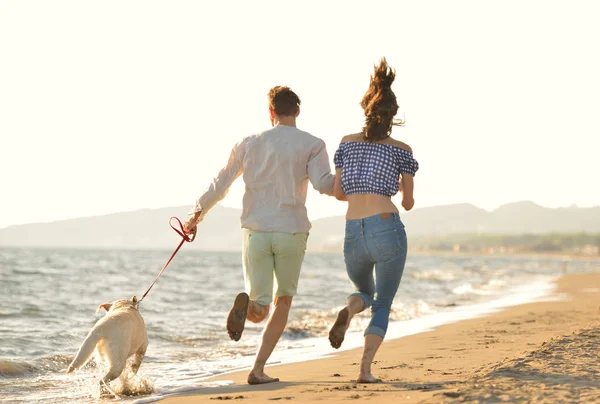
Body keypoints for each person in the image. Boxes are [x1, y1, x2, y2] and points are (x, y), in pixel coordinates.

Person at [183, 86, 335, 385]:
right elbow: (325, 185)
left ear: (271, 112)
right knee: (284, 302)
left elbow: (222, 182)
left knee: (260, 308)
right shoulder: (313, 144)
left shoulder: (248, 143)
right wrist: (351, 180)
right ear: (298, 111)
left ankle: (249, 307)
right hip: (291, 231)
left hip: (256, 232)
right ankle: (257, 370)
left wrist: (196, 215)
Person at [327, 58, 419, 383]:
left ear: (366, 109)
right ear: (394, 116)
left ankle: (349, 311)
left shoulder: (346, 143)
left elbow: (338, 193)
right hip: (386, 225)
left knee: (362, 292)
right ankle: (365, 370)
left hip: (353, 229)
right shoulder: (402, 150)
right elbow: (407, 203)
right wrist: (397, 189)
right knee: (382, 303)